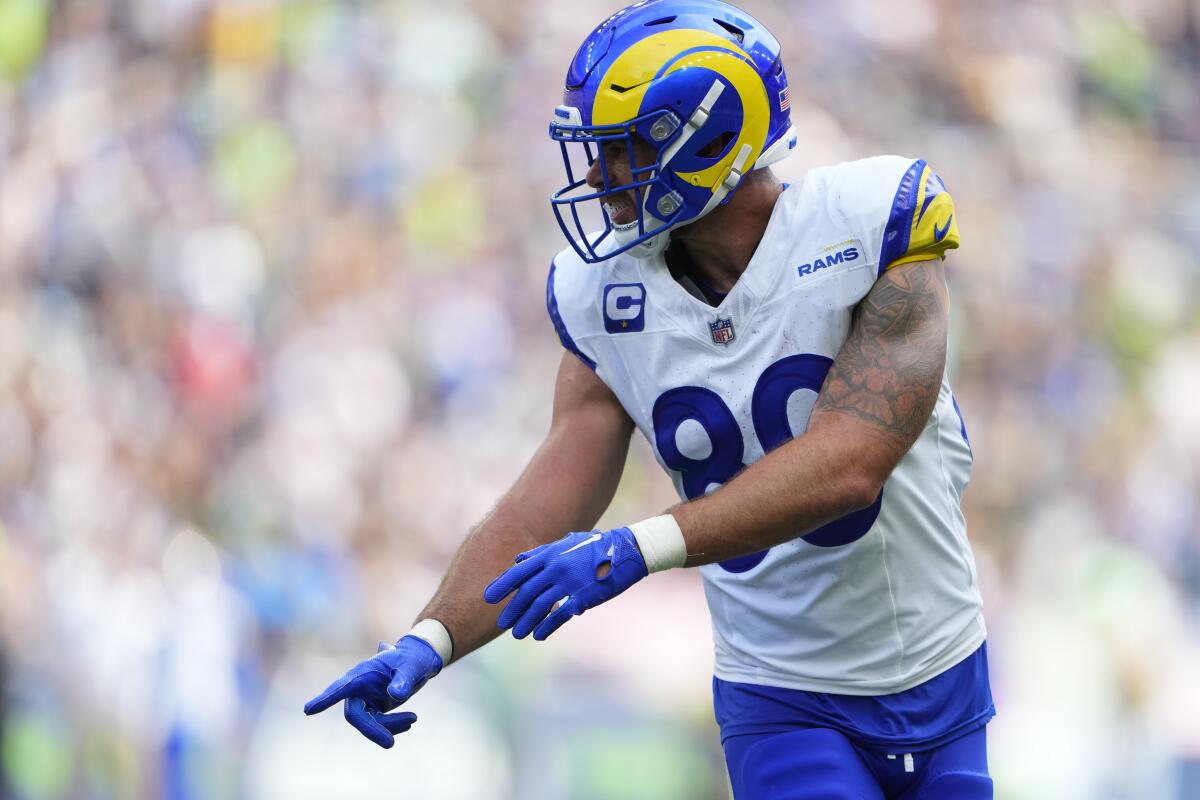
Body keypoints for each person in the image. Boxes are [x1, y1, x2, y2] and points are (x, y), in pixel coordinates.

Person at [304, 1, 995, 796]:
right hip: (782, 692)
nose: (597, 176)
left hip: (944, 664)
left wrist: (639, 549)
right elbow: (544, 504)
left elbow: (851, 463)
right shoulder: (604, 293)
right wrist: (430, 637)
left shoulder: (874, 224)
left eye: (622, 147)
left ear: (706, 140)